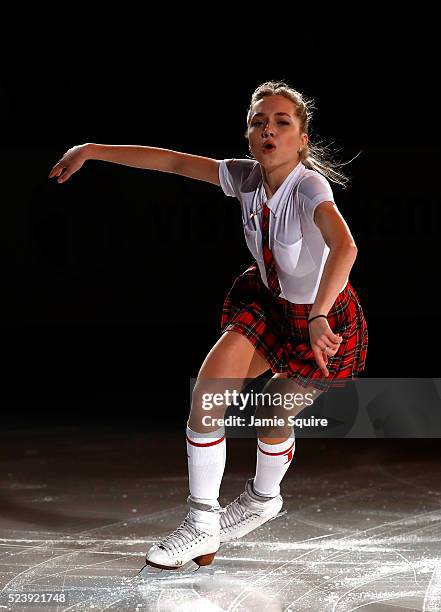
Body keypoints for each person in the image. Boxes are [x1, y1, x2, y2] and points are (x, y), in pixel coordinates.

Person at [48, 80, 368, 572]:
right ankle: (201, 523)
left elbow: (345, 248)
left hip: (323, 319)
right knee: (208, 395)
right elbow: (172, 161)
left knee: (271, 413)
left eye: (283, 122)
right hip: (267, 304)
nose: (269, 129)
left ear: (302, 139)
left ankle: (263, 499)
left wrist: (321, 313)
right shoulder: (244, 177)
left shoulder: (310, 187)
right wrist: (90, 150)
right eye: (259, 121)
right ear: (247, 134)